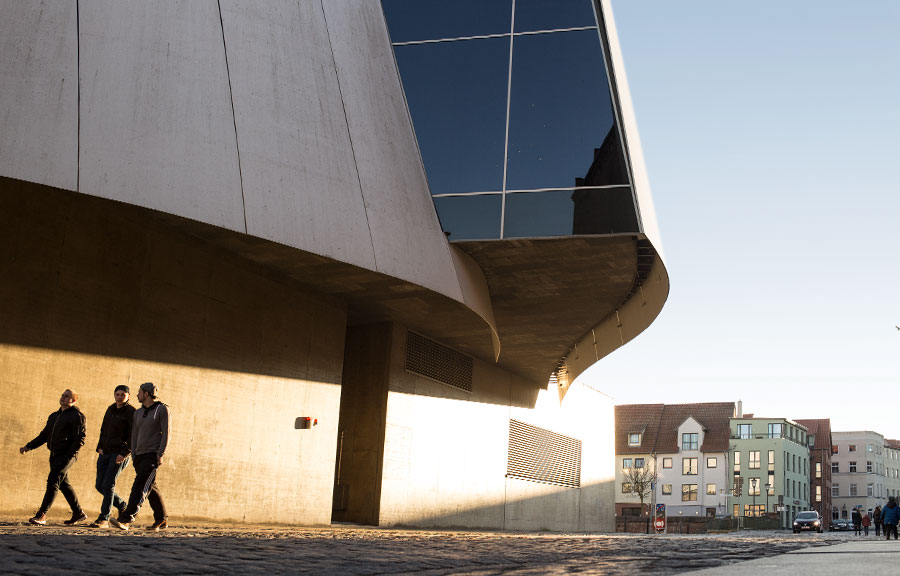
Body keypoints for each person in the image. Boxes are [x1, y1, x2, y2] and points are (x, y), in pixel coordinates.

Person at [19, 389, 87, 526]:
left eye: (66, 396)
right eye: (62, 395)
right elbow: (44, 435)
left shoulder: (77, 416)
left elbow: (80, 438)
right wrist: (28, 446)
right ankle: (78, 512)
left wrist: (70, 455)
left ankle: (42, 514)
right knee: (63, 484)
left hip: (67, 456)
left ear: (73, 400)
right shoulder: (54, 416)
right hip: (54, 454)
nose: (63, 398)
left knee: (52, 481)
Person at [110, 382, 169, 531]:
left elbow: (167, 433)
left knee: (140, 486)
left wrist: (160, 454)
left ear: (147, 394)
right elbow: (134, 434)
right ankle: (162, 519)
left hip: (152, 455)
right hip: (139, 455)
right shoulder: (138, 413)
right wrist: (134, 454)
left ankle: (126, 518)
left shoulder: (162, 410)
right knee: (151, 487)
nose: (137, 395)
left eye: (139, 392)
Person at [90, 384, 136, 528]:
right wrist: (100, 446)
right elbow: (104, 429)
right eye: (118, 394)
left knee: (108, 485)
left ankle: (104, 518)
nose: (120, 396)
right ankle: (122, 505)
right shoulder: (110, 409)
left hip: (119, 454)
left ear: (128, 396)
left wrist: (124, 453)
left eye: (123, 394)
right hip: (105, 451)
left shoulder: (131, 412)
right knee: (100, 485)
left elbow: (133, 435)